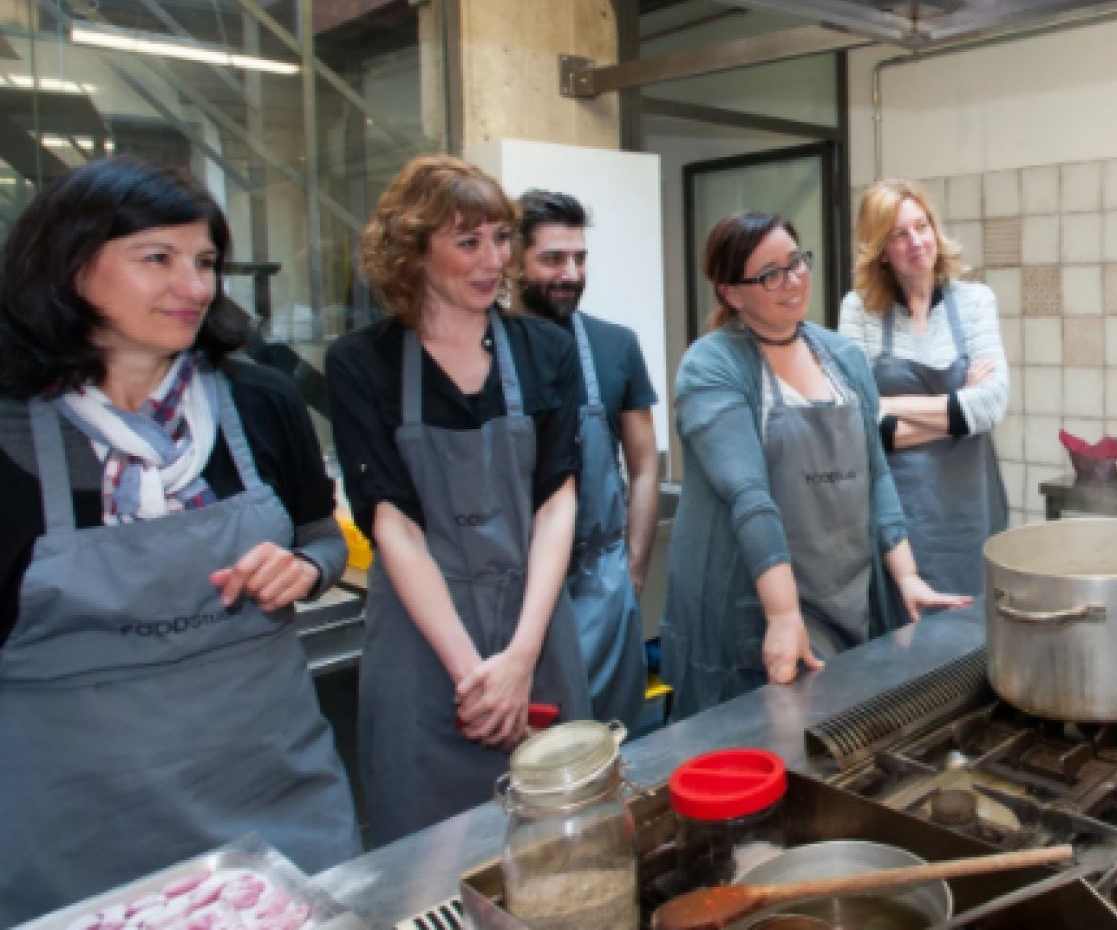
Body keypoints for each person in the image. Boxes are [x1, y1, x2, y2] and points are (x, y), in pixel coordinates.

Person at [0, 158, 358, 923]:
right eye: (157, 259)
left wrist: (304, 567)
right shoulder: (9, 433)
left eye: (204, 263)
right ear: (68, 265)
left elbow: (323, 539)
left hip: (273, 791)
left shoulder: (260, 400)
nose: (194, 287)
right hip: (76, 827)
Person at [327, 156, 590, 846]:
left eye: (501, 239)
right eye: (467, 241)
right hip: (425, 648)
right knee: (429, 853)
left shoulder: (543, 349)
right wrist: (476, 679)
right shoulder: (363, 362)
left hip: (535, 626)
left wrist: (522, 657)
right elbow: (393, 523)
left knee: (558, 842)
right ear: (414, 251)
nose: (493, 261)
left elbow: (556, 501)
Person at [660, 211, 970, 721]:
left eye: (796, 263)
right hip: (755, 611)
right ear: (731, 292)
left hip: (846, 596)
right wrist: (783, 615)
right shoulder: (712, 366)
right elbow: (748, 496)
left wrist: (908, 577)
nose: (793, 281)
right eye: (769, 274)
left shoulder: (841, 357)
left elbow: (876, 475)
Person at [515, 188, 661, 731]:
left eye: (579, 258)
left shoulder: (615, 346)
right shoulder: (490, 352)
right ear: (515, 263)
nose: (571, 273)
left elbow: (645, 468)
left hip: (604, 585)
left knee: (611, 741)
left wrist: (633, 573)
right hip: (520, 590)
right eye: (552, 258)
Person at [836, 179, 1009, 597]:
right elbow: (855, 419)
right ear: (879, 249)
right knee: (904, 641)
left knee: (973, 634)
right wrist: (958, 416)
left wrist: (888, 401)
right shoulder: (858, 310)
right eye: (899, 234)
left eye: (922, 226)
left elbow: (990, 405)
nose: (916, 242)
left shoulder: (975, 301)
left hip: (969, 508)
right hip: (898, 513)